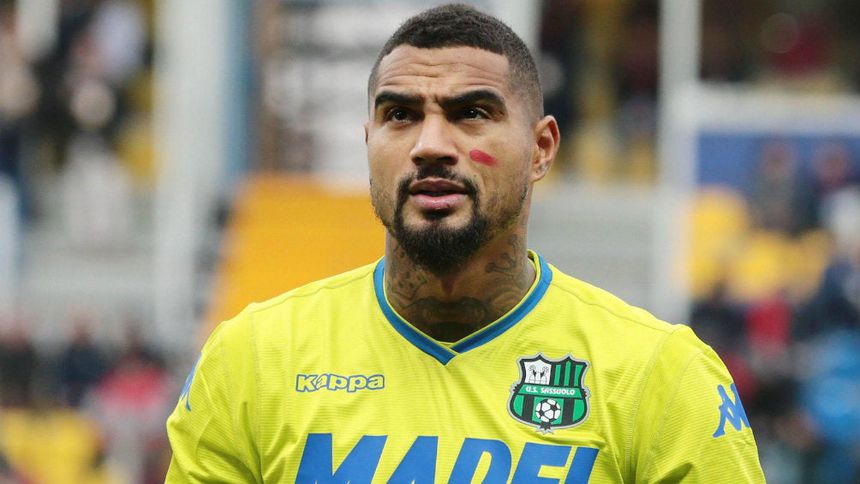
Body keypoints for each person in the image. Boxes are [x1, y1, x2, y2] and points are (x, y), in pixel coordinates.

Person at [166, 4, 765, 482]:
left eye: (471, 112)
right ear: (369, 142)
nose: (430, 144)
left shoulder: (660, 377)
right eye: (400, 115)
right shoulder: (252, 362)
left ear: (541, 148)